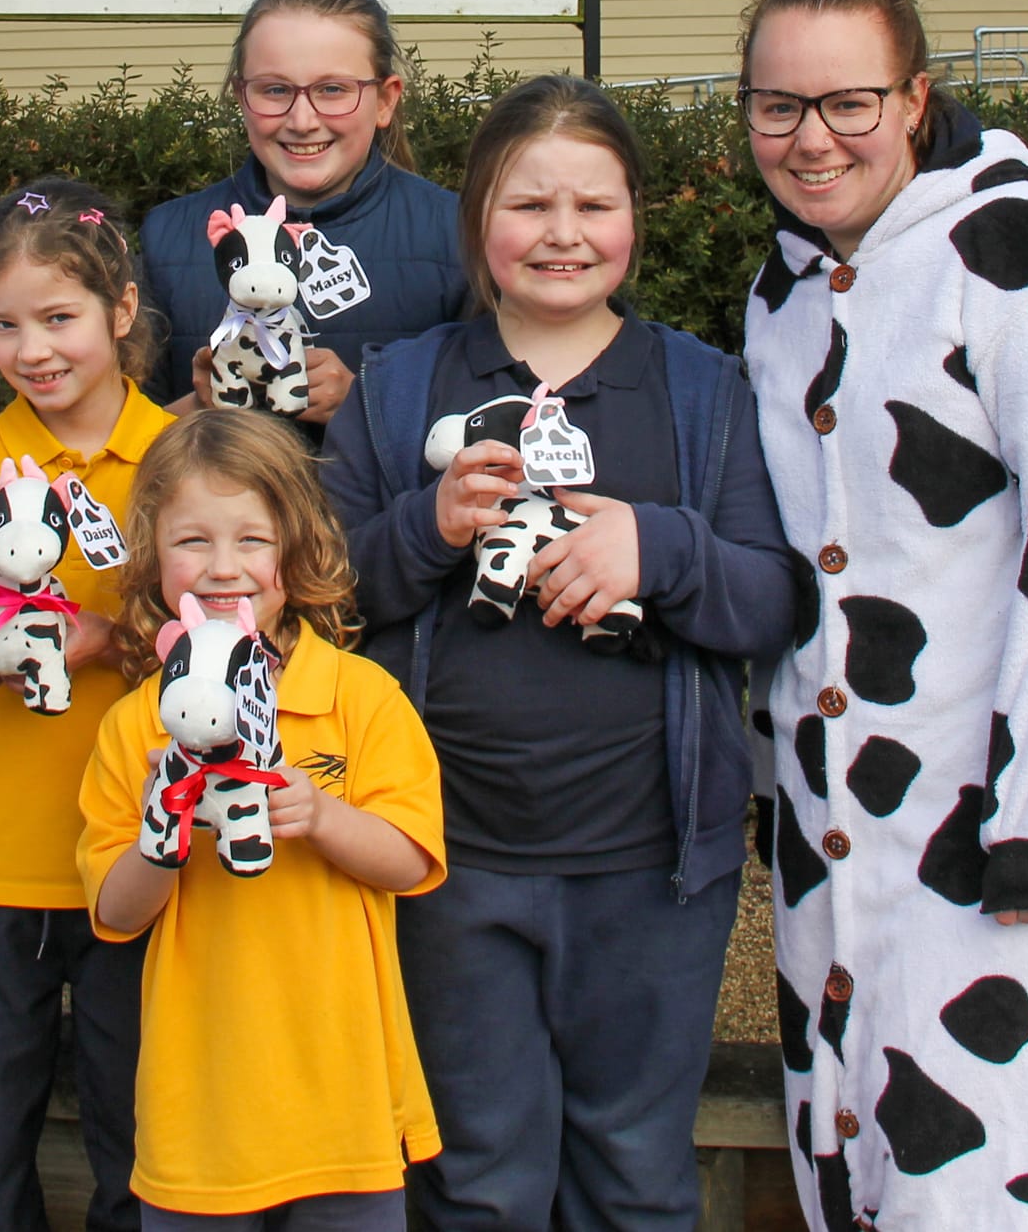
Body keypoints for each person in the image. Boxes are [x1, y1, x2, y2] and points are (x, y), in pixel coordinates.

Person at [738, 0, 1028, 1230]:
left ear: (916, 98)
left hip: (994, 825)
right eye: (775, 106)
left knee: (977, 1179)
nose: (812, 137)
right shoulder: (781, 289)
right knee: (846, 1156)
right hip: (836, 834)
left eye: (847, 101)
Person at [322, 75, 799, 1230]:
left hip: (651, 868)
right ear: (478, 217)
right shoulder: (401, 390)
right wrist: (425, 530)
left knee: (634, 1175)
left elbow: (772, 601)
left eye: (594, 204)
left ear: (633, 218)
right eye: (529, 204)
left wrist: (662, 548)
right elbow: (319, 597)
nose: (563, 234)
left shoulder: (700, 392)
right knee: (477, 1175)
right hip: (449, 856)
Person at [77, 410, 446, 1229]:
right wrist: (161, 833)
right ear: (153, 555)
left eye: (251, 539)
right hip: (198, 1124)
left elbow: (412, 863)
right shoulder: (138, 722)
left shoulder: (359, 696)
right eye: (191, 542)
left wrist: (319, 813)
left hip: (344, 1113)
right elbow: (114, 911)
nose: (222, 568)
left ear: (298, 549)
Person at [0, 176, 173, 1232]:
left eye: (58, 318)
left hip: (132, 859)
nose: (33, 349)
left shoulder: (176, 462)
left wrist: (101, 638)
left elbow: (232, 666)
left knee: (139, 1139)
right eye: (3, 325)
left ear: (118, 311)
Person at [138, 0, 468, 429]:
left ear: (386, 101)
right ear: (241, 96)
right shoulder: (169, 238)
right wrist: (198, 406)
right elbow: (123, 442)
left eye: (333, 90)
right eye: (274, 90)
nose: (302, 120)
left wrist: (366, 402)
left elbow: (491, 421)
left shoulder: (455, 234)